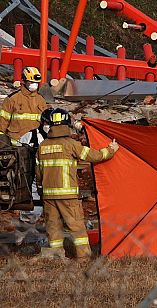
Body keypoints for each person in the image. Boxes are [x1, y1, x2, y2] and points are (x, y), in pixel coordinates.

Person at [36, 107, 119, 258]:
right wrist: (111, 150)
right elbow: (94, 156)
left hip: (48, 196)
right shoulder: (70, 144)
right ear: (66, 124)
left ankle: (56, 256)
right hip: (67, 195)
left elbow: (38, 172)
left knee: (53, 227)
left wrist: (42, 191)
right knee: (76, 227)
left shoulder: (43, 146)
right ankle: (83, 257)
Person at [1, 66, 47, 145]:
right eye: (31, 82)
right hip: (16, 144)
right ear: (23, 81)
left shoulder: (41, 100)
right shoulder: (13, 99)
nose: (34, 85)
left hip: (35, 144)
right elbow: (2, 122)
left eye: (36, 83)